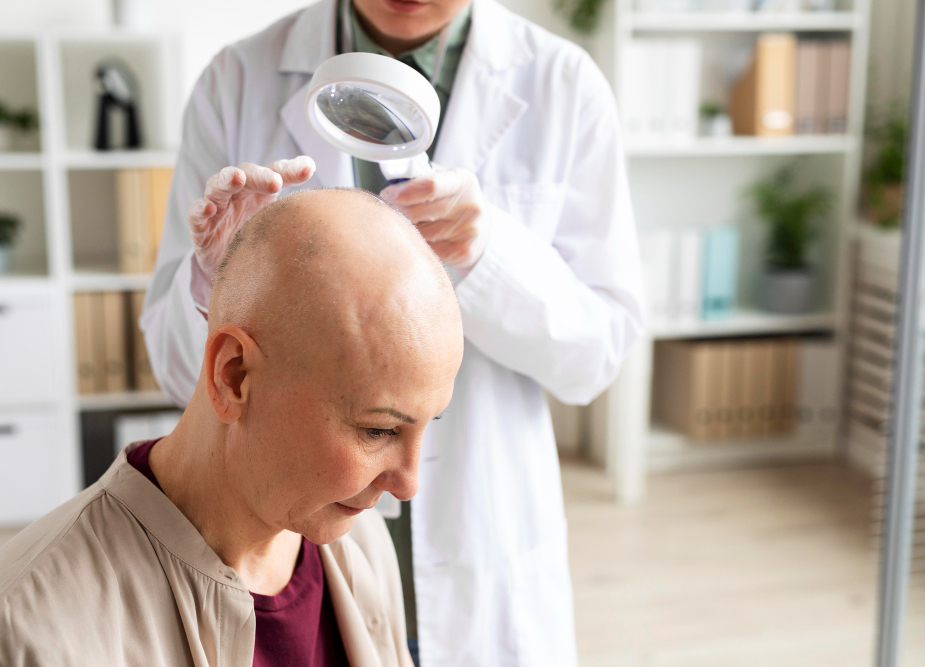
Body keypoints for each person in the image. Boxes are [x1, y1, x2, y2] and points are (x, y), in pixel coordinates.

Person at [142, 0, 644, 664]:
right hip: (292, 536)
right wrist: (220, 279)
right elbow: (183, 370)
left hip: (480, 526)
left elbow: (598, 353)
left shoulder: (563, 83)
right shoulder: (237, 81)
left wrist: (488, 254)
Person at [0, 189, 464, 667]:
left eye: (430, 423)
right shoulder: (31, 628)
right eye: (379, 431)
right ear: (234, 375)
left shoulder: (358, 541)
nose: (408, 486)